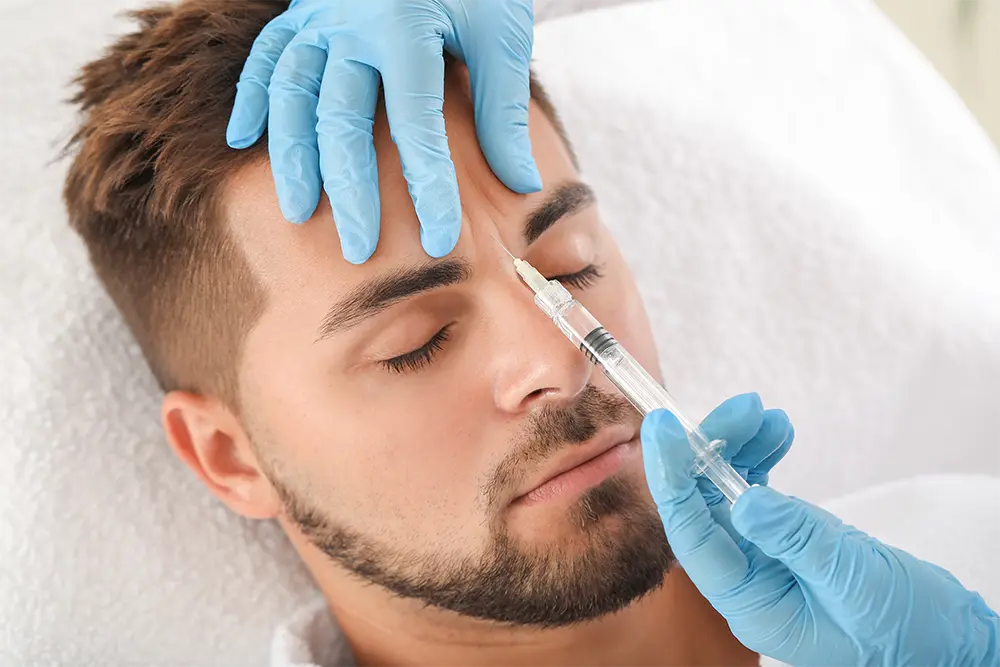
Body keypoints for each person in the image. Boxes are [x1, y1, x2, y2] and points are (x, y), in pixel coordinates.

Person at [61, 2, 997, 667]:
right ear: (229, 456)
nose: (560, 359)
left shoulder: (959, 574)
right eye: (416, 342)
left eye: (572, 266)